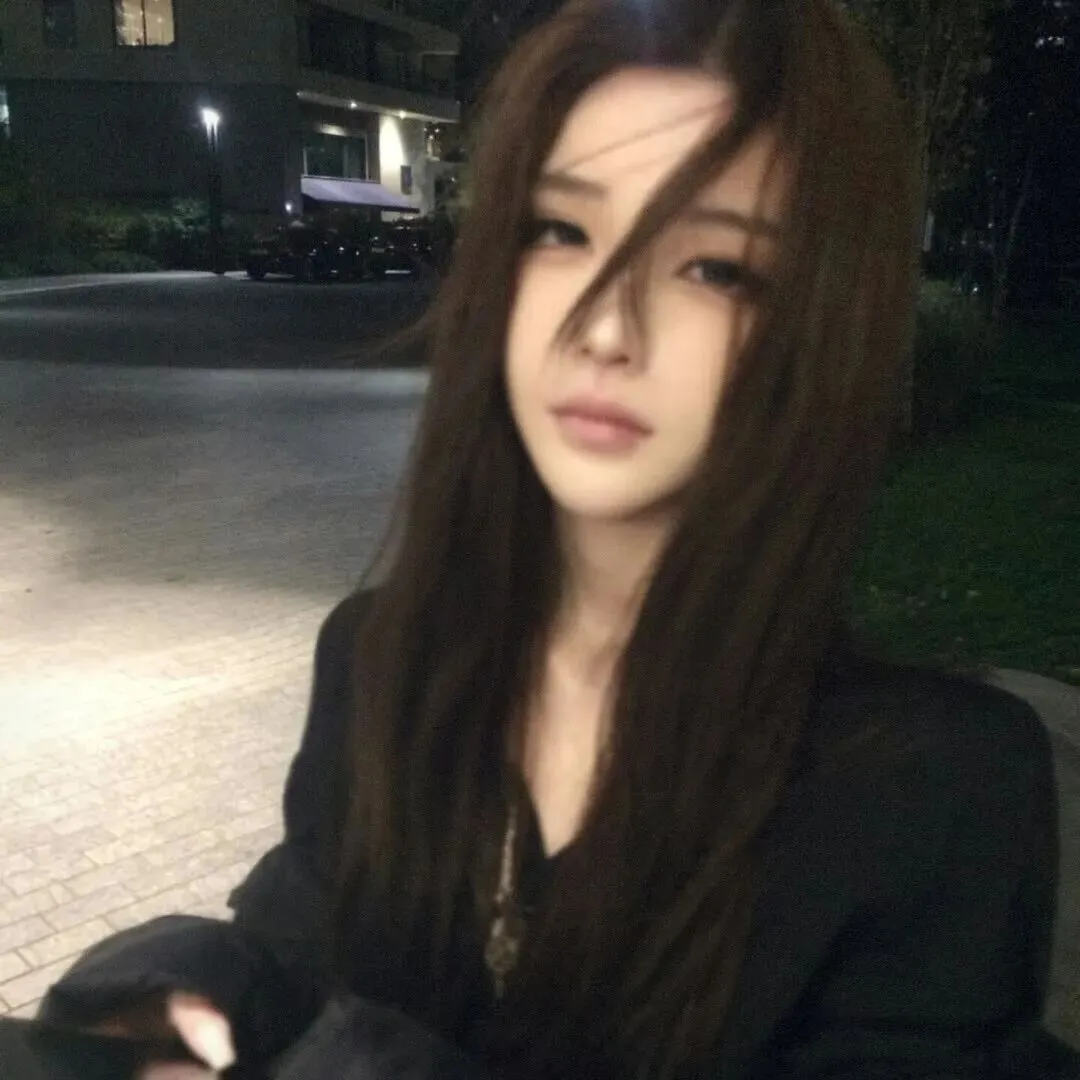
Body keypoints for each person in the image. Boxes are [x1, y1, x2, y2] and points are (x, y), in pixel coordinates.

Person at [36, 0, 1073, 1077]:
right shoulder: (383, 659)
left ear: (814, 325)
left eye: (716, 268)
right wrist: (195, 993)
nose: (606, 326)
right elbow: (302, 946)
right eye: (562, 232)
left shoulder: (933, 792)